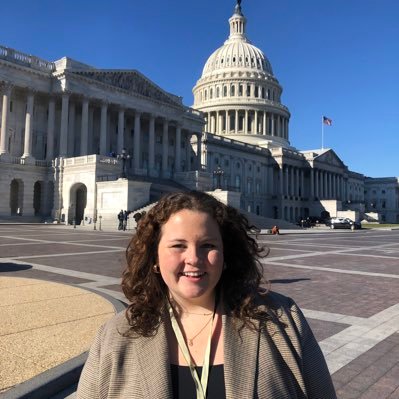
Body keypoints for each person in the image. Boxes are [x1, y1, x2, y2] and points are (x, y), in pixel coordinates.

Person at [77, 191, 336, 398]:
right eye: (178, 245)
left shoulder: (281, 321)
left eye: (208, 246)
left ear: (226, 255)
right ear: (154, 257)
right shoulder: (116, 335)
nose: (194, 259)